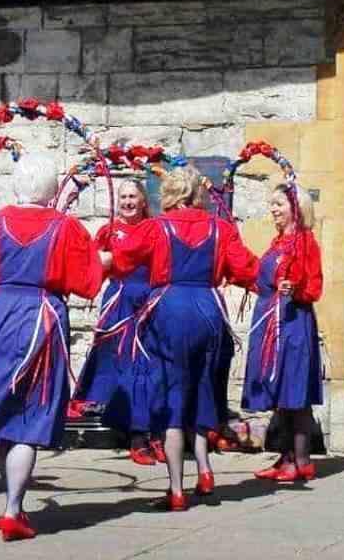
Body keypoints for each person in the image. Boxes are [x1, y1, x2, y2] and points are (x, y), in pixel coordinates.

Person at [0, 153, 104, 540]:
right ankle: (14, 508)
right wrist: (107, 261)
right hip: (42, 316)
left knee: (4, 408)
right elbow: (86, 283)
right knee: (30, 413)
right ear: (51, 189)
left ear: (17, 184)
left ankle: (12, 506)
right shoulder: (66, 228)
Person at [110, 165, 258, 510]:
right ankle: (205, 470)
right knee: (203, 388)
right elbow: (246, 269)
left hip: (168, 309)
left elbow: (122, 257)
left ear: (171, 194)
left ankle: (176, 489)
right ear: (198, 195)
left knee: (172, 396)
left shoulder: (156, 227)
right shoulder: (221, 229)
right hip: (208, 308)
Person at [73, 179, 165, 465]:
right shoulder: (107, 232)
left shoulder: (156, 229)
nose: (127, 201)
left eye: (133, 196)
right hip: (120, 303)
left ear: (143, 201)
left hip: (148, 301)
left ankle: (155, 433)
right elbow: (90, 266)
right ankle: (135, 437)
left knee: (150, 367)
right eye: (123, 196)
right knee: (124, 367)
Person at [241, 182, 323, 482]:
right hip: (271, 321)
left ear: (296, 208)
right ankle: (288, 458)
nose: (273, 209)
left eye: (279, 204)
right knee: (280, 392)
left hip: (292, 322)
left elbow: (314, 287)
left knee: (294, 390)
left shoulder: (306, 243)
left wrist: (296, 288)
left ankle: (300, 460)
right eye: (272, 204)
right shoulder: (277, 244)